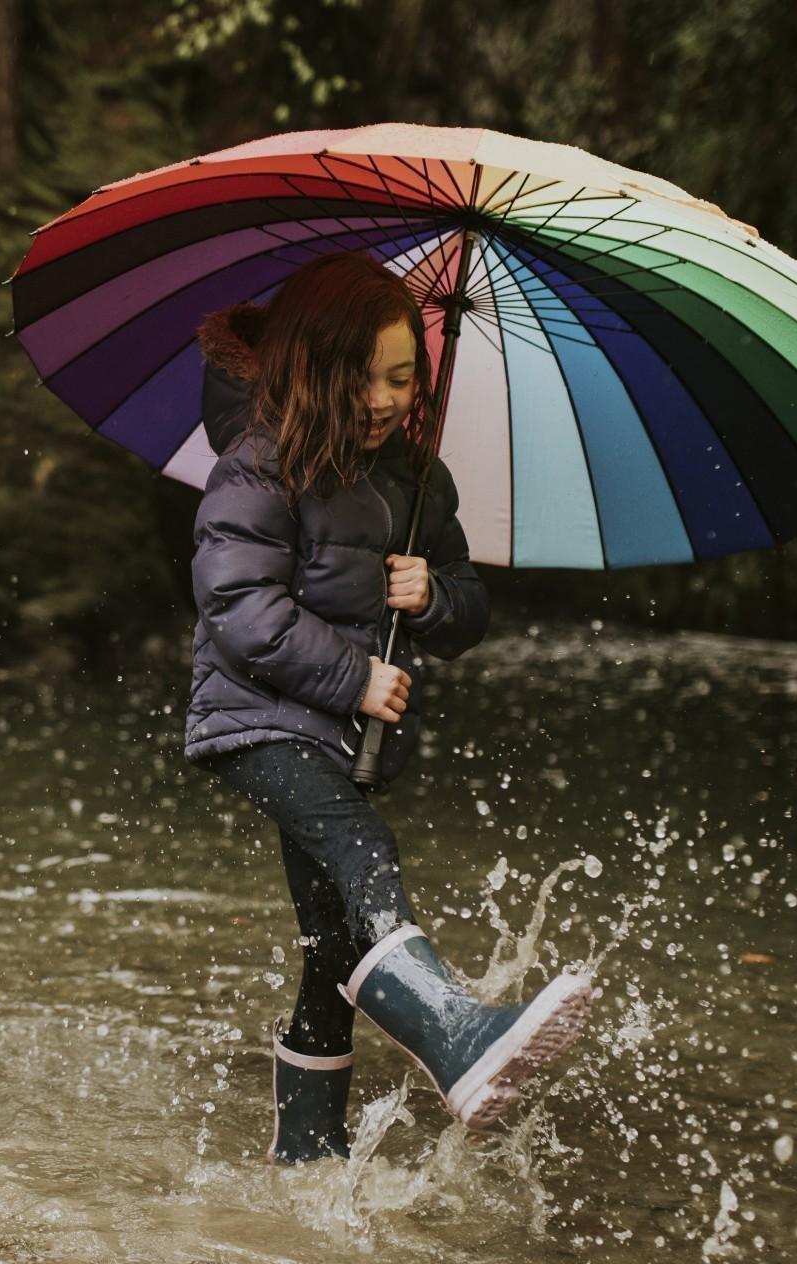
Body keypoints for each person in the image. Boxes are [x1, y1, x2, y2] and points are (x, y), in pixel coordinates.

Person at [185, 250, 593, 1163]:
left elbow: (467, 611)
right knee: (363, 848)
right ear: (314, 369)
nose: (383, 398)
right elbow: (241, 610)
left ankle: (305, 1158)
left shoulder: (417, 481)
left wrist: (432, 595)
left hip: (337, 733)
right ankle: (455, 1031)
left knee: (331, 944)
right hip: (254, 721)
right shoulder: (258, 463)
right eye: (362, 377)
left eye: (403, 377)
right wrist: (356, 677)